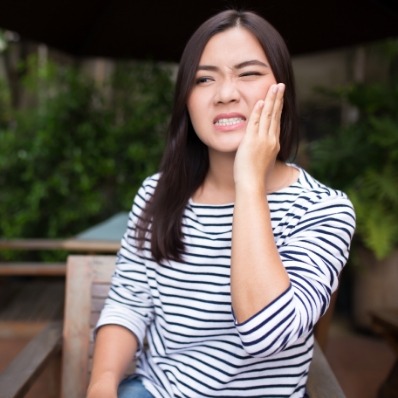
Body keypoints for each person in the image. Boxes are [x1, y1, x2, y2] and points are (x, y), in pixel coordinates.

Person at [87, 8, 355, 398]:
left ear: (283, 89)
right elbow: (128, 305)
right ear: (187, 101)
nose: (225, 93)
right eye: (203, 79)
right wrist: (102, 384)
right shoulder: (158, 194)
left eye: (247, 73)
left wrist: (248, 181)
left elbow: (268, 334)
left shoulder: (323, 211)